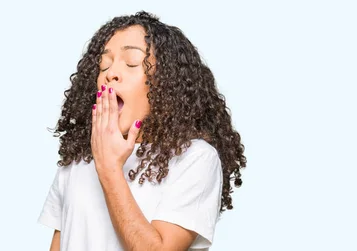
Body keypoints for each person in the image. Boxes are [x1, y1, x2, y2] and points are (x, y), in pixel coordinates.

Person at [38, 10, 247, 251]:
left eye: (131, 63)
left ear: (166, 83)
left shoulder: (195, 158)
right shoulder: (78, 160)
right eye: (104, 65)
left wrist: (109, 169)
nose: (110, 74)